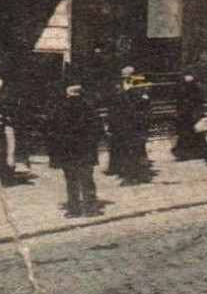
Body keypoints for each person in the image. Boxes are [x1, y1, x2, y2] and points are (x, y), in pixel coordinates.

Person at [47, 82, 102, 218]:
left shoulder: (59, 109)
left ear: (67, 94)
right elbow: (98, 130)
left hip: (68, 151)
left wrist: (56, 152)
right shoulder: (89, 108)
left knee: (71, 180)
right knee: (87, 179)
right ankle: (91, 208)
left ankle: (74, 209)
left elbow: (51, 131)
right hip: (85, 150)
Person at [104, 68, 154, 185]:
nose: (125, 78)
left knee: (137, 150)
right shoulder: (119, 87)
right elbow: (114, 105)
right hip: (122, 123)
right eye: (123, 76)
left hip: (136, 124)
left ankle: (138, 176)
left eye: (128, 76)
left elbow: (144, 106)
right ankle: (127, 173)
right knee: (127, 149)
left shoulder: (139, 86)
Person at [171, 71, 207, 161]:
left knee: (194, 132)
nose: (187, 77)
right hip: (186, 113)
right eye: (185, 76)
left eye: (188, 76)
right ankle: (186, 154)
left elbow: (199, 100)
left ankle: (195, 153)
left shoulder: (196, 86)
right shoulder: (183, 85)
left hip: (193, 112)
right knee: (187, 133)